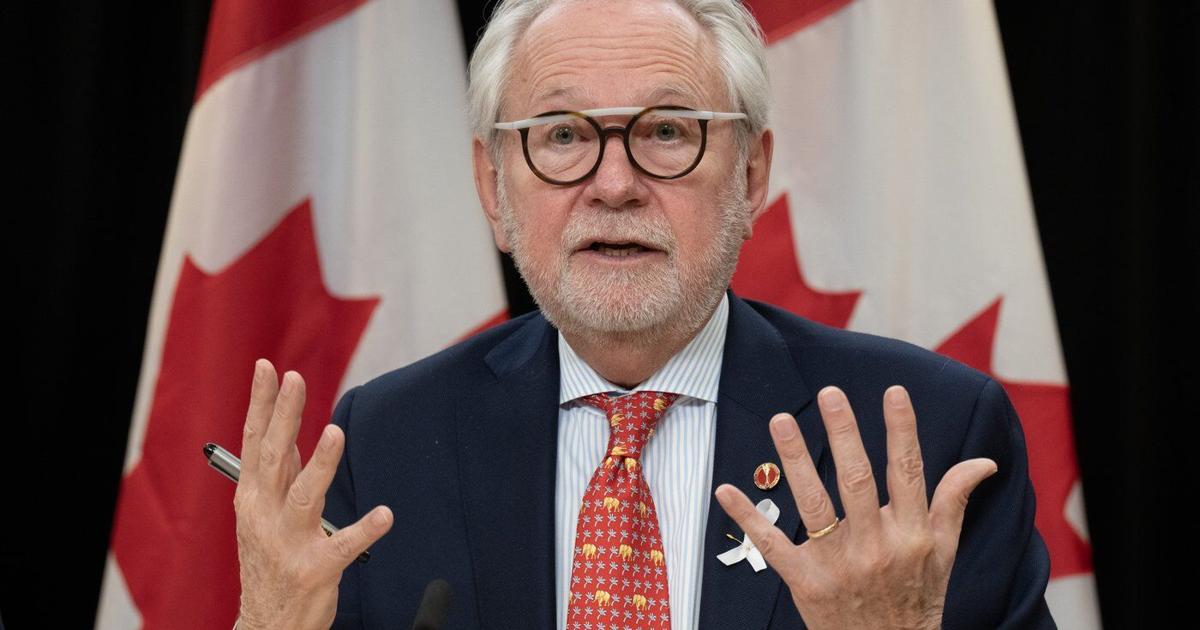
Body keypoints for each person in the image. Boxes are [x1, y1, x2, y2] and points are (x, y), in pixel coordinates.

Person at [231, 1, 1056, 628]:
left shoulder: (931, 436)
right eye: (562, 136)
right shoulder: (390, 440)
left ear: (751, 175)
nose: (615, 185)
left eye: (666, 131)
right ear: (493, 187)